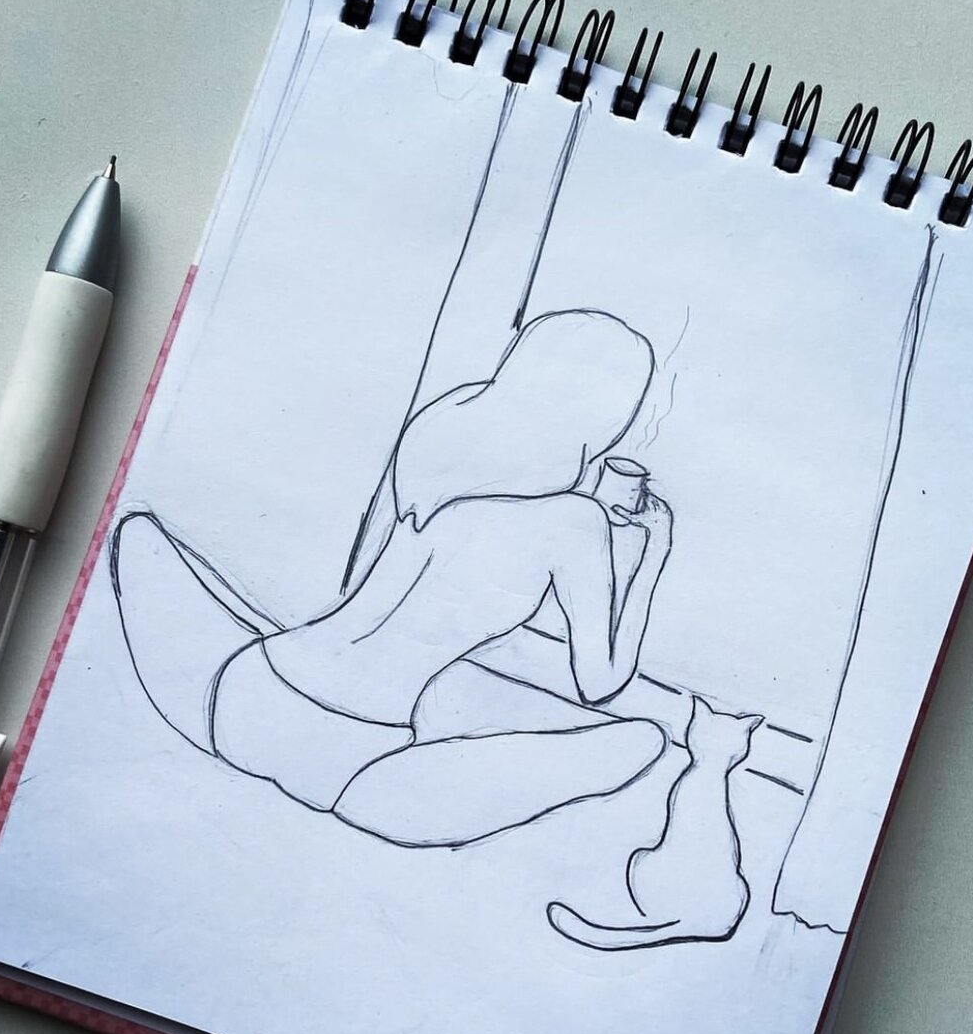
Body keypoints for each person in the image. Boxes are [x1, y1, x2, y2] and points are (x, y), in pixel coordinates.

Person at [111, 310, 674, 847]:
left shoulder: (438, 430)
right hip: (349, 760)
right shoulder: (577, 524)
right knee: (644, 741)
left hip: (245, 691)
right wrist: (650, 555)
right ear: (608, 418)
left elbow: (387, 572)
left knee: (140, 535)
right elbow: (599, 684)